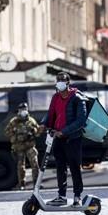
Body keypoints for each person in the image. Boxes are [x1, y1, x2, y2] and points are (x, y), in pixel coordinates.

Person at [40, 72, 87, 206]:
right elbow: (50, 114)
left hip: (73, 139)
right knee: (60, 167)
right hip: (58, 138)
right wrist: (43, 124)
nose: (60, 82)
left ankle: (77, 196)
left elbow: (81, 121)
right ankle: (61, 196)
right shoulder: (55, 97)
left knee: (74, 167)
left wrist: (64, 131)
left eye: (62, 80)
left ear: (68, 83)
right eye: (58, 80)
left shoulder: (77, 98)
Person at [4, 103, 40, 190]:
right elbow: (7, 132)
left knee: (35, 163)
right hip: (19, 147)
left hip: (30, 146)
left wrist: (33, 131)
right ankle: (22, 184)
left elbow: (38, 133)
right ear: (19, 111)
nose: (23, 111)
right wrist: (16, 137)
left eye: (25, 109)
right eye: (21, 109)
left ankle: (37, 184)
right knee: (21, 166)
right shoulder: (14, 121)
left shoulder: (31, 121)